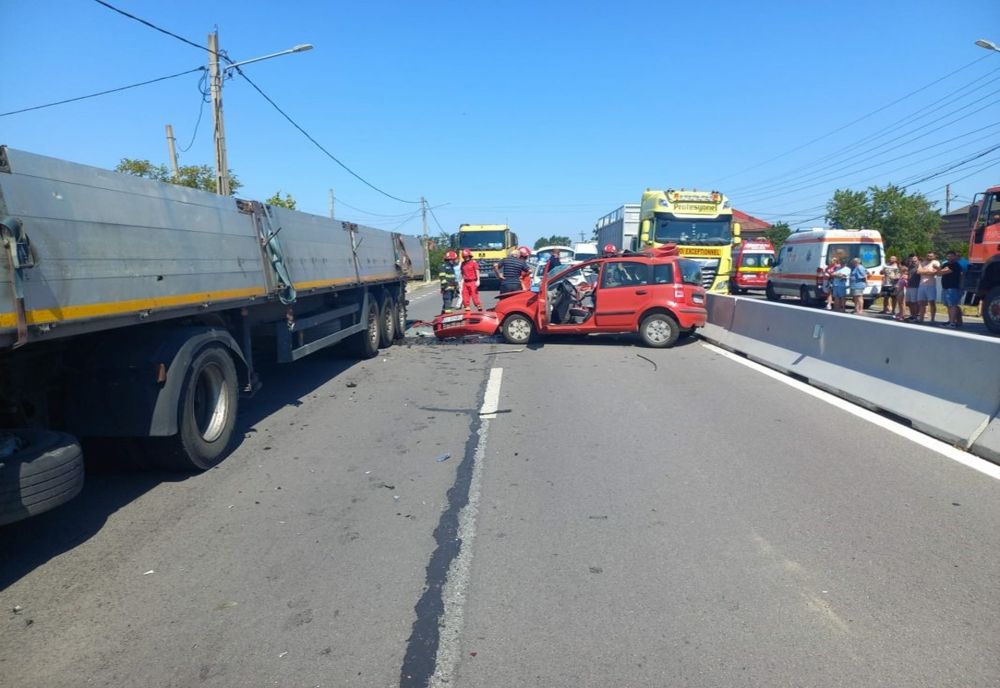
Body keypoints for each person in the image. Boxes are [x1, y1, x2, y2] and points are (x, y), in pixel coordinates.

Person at [937, 250, 964, 328]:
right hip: (945, 287)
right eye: (948, 256)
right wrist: (940, 270)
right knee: (948, 305)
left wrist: (939, 270)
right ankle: (950, 321)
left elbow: (944, 272)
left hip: (953, 288)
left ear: (955, 256)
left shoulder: (956, 265)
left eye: (951, 256)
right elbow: (938, 273)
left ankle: (953, 322)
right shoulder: (945, 264)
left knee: (952, 305)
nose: (949, 258)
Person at [916, 251, 940, 323]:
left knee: (931, 302)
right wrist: (929, 272)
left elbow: (936, 272)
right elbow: (918, 272)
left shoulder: (935, 263)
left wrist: (924, 271)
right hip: (922, 285)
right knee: (921, 302)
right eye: (928, 255)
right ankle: (921, 318)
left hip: (931, 285)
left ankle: (932, 318)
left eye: (931, 256)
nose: (929, 257)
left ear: (934, 256)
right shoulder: (922, 263)